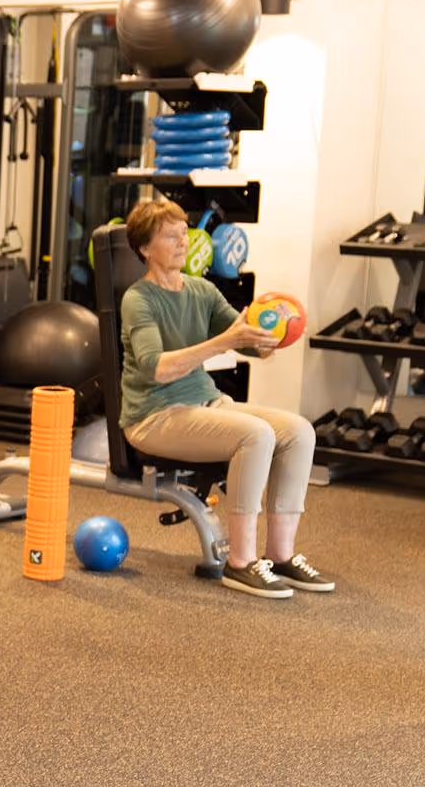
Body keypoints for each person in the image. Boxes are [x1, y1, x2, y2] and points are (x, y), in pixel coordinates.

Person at [117, 199, 336, 599]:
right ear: (145, 248)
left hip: (206, 405)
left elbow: (249, 342)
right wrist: (224, 342)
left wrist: (271, 332)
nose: (183, 241)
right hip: (154, 416)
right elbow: (158, 369)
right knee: (254, 435)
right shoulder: (139, 299)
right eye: (171, 235)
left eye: (185, 232)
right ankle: (240, 562)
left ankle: (281, 556)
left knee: (299, 431)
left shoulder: (201, 290)